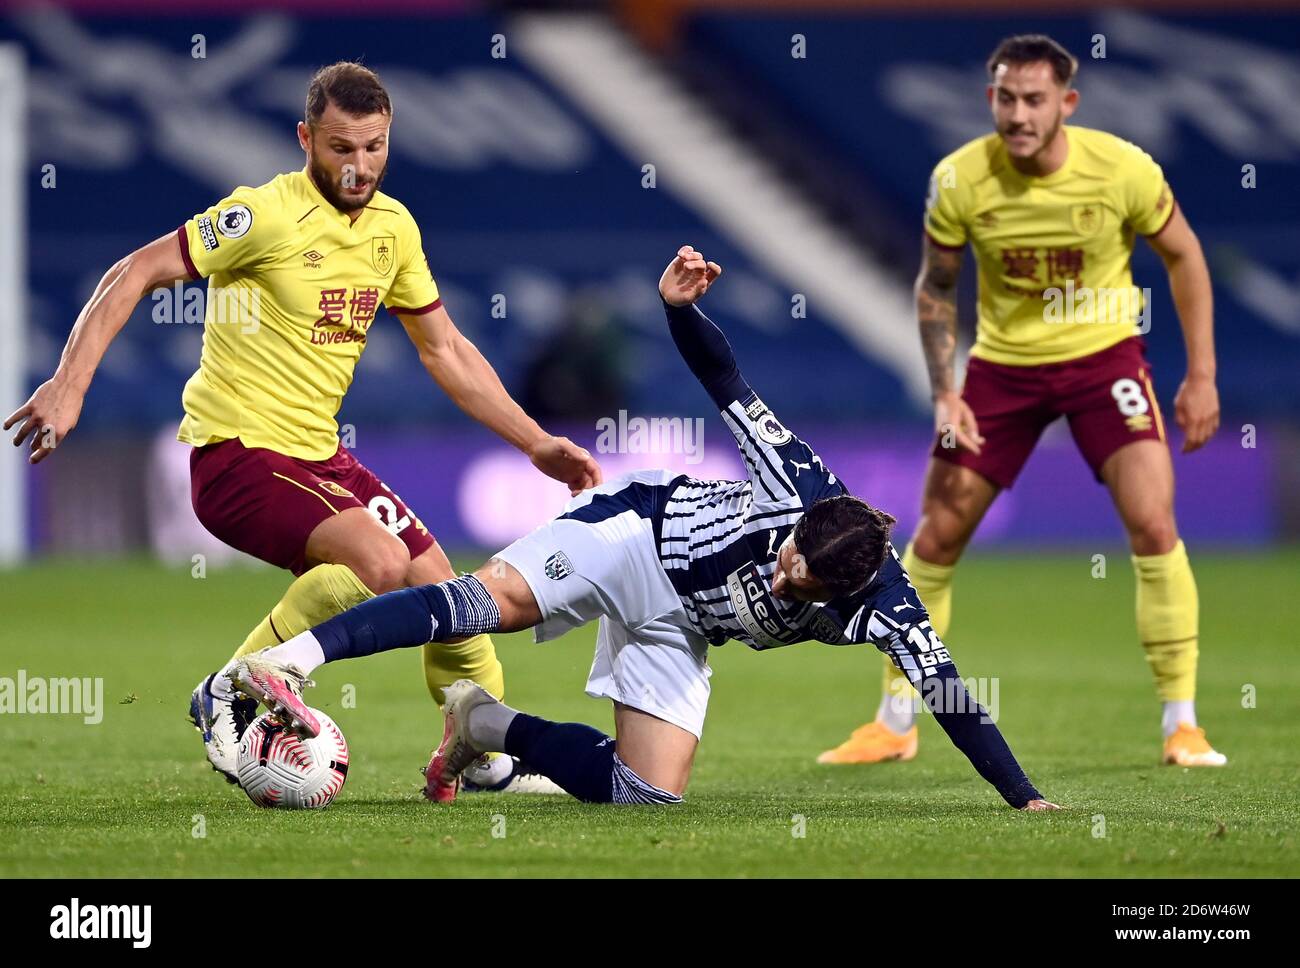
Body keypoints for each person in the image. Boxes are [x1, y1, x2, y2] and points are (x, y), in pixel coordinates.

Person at [226, 245, 1060, 811]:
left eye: (802, 586)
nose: (783, 576)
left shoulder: (889, 609)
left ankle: (482, 724)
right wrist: (677, 311)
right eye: (790, 557)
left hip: (682, 622)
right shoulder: (799, 481)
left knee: (646, 796)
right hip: (636, 534)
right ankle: (288, 662)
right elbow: (725, 378)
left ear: (845, 594)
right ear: (802, 527)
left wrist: (1024, 797)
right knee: (486, 605)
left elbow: (953, 698)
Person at [4, 61, 600, 793]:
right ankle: (227, 688)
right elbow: (135, 272)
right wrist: (69, 386)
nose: (359, 167)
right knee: (377, 563)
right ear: (305, 139)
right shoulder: (262, 215)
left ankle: (478, 750)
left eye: (375, 147)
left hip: (320, 458)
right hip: (237, 457)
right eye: (342, 148)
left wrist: (536, 442)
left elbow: (444, 350)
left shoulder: (394, 229)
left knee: (448, 592)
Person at [818, 35, 1225, 769]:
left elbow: (1185, 253)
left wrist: (1201, 374)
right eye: (1005, 97)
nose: (1018, 113)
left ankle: (1182, 724)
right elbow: (937, 285)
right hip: (1002, 370)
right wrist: (946, 391)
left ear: (1066, 104)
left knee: (1154, 521)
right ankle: (894, 721)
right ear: (989, 100)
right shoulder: (960, 179)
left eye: (1034, 99)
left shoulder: (1123, 169)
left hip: (1105, 360)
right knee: (936, 535)